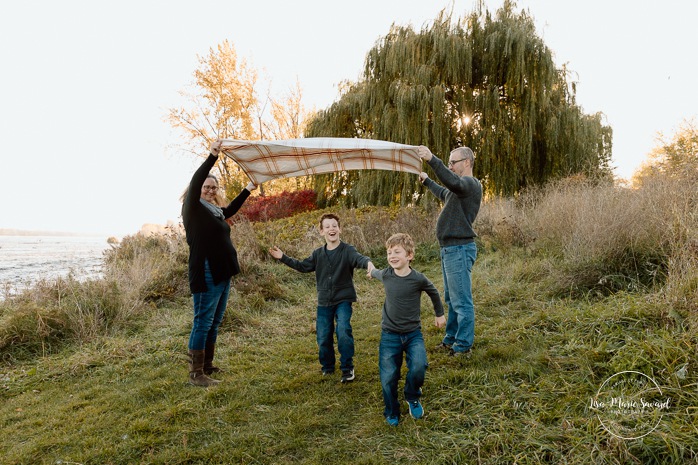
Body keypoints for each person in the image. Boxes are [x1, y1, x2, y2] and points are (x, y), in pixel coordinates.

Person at [182, 139, 257, 387]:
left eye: (214, 187)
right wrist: (212, 156)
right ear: (198, 188)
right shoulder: (192, 208)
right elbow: (196, 180)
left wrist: (248, 187)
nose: (210, 190)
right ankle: (196, 374)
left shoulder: (214, 212)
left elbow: (231, 209)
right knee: (202, 321)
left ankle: (207, 366)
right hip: (206, 271)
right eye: (206, 186)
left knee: (214, 321)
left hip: (222, 272)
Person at [269, 213, 375, 383]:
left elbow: (360, 259)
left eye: (334, 226)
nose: (331, 229)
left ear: (339, 229)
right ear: (321, 232)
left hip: (343, 300)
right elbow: (303, 266)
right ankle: (328, 367)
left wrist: (369, 265)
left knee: (343, 331)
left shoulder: (348, 250)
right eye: (327, 227)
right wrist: (283, 257)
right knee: (323, 336)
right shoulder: (318, 254)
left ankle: (347, 368)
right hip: (324, 302)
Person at [369, 233, 445, 426]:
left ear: (409, 255)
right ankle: (392, 409)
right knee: (388, 376)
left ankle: (412, 396)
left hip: (413, 335)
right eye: (389, 252)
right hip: (389, 335)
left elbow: (433, 292)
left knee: (419, 366)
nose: (392, 256)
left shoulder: (418, 279)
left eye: (397, 252)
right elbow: (375, 272)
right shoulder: (386, 274)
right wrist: (370, 271)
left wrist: (439, 314)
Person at [418, 145, 482, 357]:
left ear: (466, 162)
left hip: (459, 249)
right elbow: (444, 191)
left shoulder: (470, 184)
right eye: (448, 163)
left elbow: (452, 182)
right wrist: (427, 181)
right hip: (449, 249)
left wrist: (432, 159)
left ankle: (463, 347)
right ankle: (451, 339)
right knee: (451, 299)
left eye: (453, 162)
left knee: (461, 301)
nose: (450, 166)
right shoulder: (458, 191)